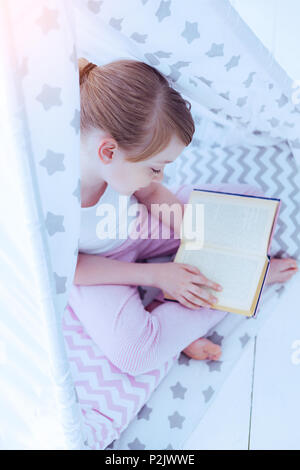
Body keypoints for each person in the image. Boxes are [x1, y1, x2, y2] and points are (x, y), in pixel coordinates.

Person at [67, 58, 298, 376]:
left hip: (143, 224)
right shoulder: (54, 200)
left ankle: (198, 304)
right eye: (154, 167)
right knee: (135, 354)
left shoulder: (121, 166)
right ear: (108, 152)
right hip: (97, 266)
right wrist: (158, 277)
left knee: (253, 207)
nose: (160, 176)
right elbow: (72, 269)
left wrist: (195, 231)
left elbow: (149, 193)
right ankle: (239, 289)